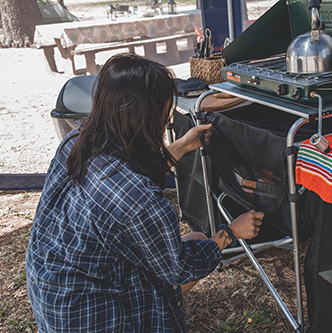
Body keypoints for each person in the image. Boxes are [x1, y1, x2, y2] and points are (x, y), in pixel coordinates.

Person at [26, 53, 264, 332]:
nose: (166, 122)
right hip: (90, 316)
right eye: (164, 117)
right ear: (144, 119)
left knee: (196, 238)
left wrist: (182, 146)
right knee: (198, 244)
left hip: (50, 290)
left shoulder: (77, 142)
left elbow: (123, 181)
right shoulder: (139, 201)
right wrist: (231, 233)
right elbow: (179, 270)